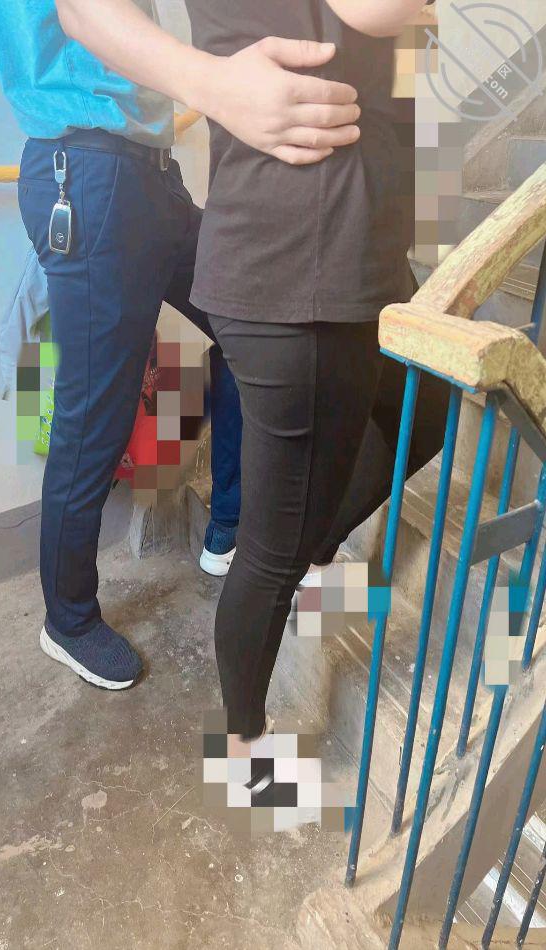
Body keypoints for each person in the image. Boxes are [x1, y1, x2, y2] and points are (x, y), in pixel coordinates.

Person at [0, 0, 363, 690]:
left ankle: (228, 526)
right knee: (91, 420)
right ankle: (67, 621)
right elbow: (83, 12)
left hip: (151, 174)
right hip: (88, 171)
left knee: (253, 330)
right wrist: (220, 86)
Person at [181, 0, 439, 767]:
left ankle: (318, 550)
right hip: (306, 270)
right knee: (271, 552)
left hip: (352, 255)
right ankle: (244, 748)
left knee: (426, 409)